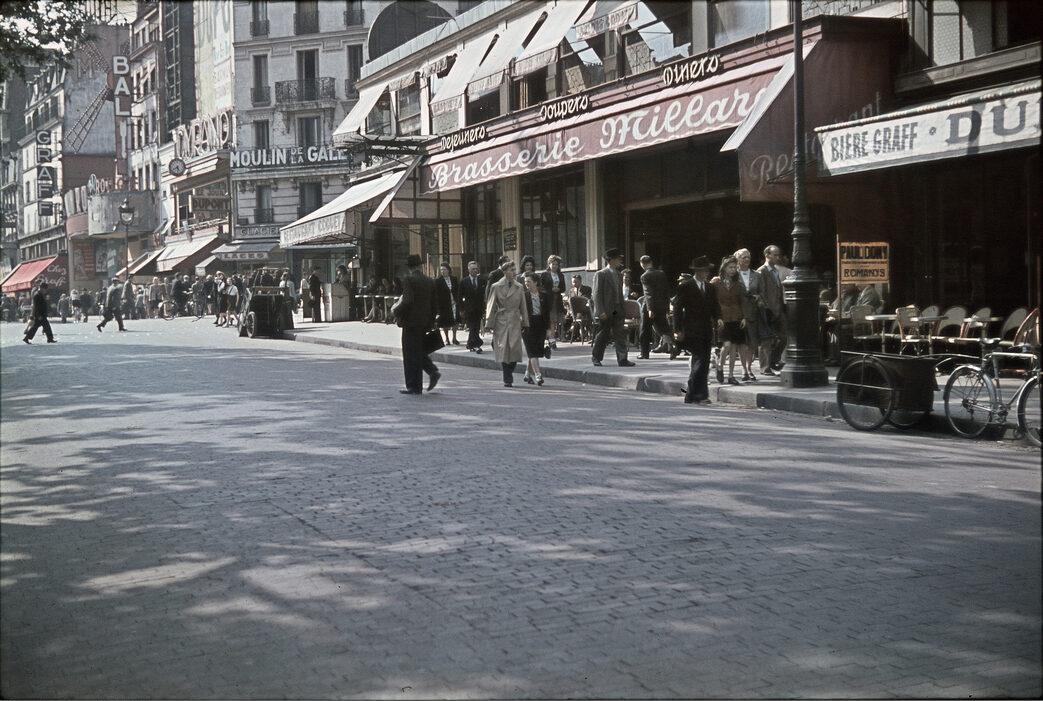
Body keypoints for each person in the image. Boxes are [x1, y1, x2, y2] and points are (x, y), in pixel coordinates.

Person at [392, 254, 439, 395]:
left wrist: (395, 311)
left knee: (409, 354)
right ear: (420, 266)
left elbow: (407, 300)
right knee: (418, 351)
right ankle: (431, 371)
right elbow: (434, 305)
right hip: (424, 322)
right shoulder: (430, 281)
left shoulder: (409, 280)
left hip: (410, 322)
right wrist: (431, 322)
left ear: (409, 267)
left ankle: (414, 386)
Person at [674, 256, 719, 404]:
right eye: (704, 271)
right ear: (697, 271)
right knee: (700, 360)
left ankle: (698, 395)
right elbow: (677, 309)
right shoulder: (686, 286)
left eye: (707, 271)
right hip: (692, 329)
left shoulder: (710, 287)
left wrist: (718, 318)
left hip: (706, 329)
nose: (706, 273)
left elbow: (715, 306)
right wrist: (677, 329)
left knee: (703, 363)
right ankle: (696, 394)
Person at [485, 260, 528, 387]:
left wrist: (525, 322)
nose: (514, 272)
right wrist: (488, 323)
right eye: (511, 270)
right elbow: (491, 305)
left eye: (515, 270)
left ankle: (510, 370)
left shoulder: (519, 287)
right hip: (501, 320)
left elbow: (523, 306)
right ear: (504, 272)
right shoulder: (496, 286)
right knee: (503, 349)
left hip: (515, 320)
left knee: (514, 349)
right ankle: (507, 376)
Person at [591, 248, 635, 367]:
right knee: (603, 334)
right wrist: (600, 311)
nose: (620, 261)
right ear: (611, 260)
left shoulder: (619, 274)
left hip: (617, 309)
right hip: (606, 310)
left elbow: (620, 293)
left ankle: (622, 359)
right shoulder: (601, 274)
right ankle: (596, 357)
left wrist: (622, 308)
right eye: (618, 259)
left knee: (620, 334)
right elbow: (597, 294)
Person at [711, 256, 747, 385]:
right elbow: (712, 301)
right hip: (722, 318)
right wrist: (716, 317)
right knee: (726, 345)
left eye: (735, 268)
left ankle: (731, 375)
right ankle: (720, 366)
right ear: (724, 268)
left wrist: (744, 317)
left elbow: (742, 301)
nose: (733, 270)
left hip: (736, 317)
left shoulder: (738, 284)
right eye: (730, 267)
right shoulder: (716, 283)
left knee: (733, 349)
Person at [757, 244, 790, 375]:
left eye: (778, 255)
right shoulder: (762, 271)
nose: (778, 257)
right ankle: (765, 367)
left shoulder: (775, 270)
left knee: (784, 337)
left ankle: (773, 360)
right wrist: (766, 308)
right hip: (768, 309)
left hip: (779, 308)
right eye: (775, 255)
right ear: (767, 255)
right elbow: (762, 292)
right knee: (766, 339)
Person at [734, 248, 765, 382]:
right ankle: (744, 369)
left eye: (748, 257)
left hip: (753, 311)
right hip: (738, 312)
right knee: (742, 343)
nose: (746, 259)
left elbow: (762, 292)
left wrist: (759, 297)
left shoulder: (757, 275)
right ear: (737, 259)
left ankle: (749, 367)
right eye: (743, 257)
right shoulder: (733, 274)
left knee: (752, 342)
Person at [638, 255, 672, 359]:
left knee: (645, 330)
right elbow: (666, 291)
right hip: (661, 305)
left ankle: (644, 353)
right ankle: (672, 346)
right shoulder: (661, 273)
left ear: (642, 264)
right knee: (664, 328)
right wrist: (667, 307)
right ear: (651, 262)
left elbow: (648, 293)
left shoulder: (645, 276)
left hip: (650, 306)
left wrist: (650, 309)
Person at [521, 272, 551, 385]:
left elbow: (547, 314)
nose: (526, 284)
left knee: (536, 352)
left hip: (540, 325)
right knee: (532, 351)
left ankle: (527, 374)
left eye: (529, 281)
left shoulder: (544, 296)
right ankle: (538, 375)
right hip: (527, 326)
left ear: (535, 282)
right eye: (525, 282)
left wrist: (548, 329)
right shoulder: (523, 296)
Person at [539, 255, 567, 350]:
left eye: (556, 264)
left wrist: (559, 289)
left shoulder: (561, 275)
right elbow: (541, 287)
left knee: (555, 322)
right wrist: (550, 289)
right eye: (553, 264)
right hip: (548, 300)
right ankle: (551, 341)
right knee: (551, 321)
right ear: (549, 264)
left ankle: (552, 339)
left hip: (557, 300)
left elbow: (563, 288)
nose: (555, 266)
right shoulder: (544, 274)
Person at [458, 260, 486, 353]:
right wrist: (461, 309)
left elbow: (484, 295)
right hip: (468, 309)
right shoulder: (464, 281)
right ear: (469, 270)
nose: (475, 270)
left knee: (476, 326)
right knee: (472, 326)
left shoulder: (481, 280)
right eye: (473, 269)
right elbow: (460, 297)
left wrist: (484, 308)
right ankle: (477, 344)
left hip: (479, 308)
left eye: (476, 269)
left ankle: (470, 344)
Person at [433, 261, 460, 345]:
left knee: (455, 320)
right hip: (444, 305)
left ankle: (454, 338)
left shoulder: (454, 279)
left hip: (454, 303)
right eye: (441, 270)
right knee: (445, 322)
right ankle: (447, 338)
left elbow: (457, 291)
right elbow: (436, 295)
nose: (443, 271)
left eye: (444, 269)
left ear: (448, 270)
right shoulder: (438, 281)